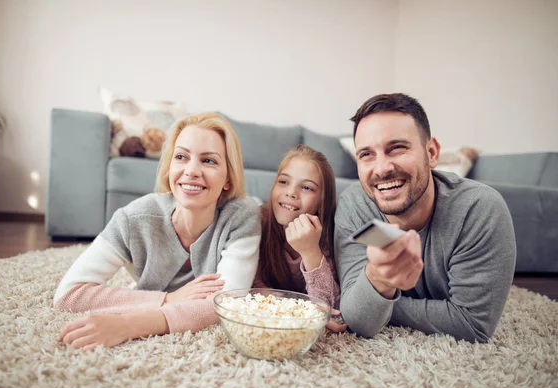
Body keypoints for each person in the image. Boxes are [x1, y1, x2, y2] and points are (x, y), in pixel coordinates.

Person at [54, 112, 261, 350]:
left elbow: (225, 303)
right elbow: (68, 294)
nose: (191, 170)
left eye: (209, 161)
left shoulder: (243, 214)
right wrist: (168, 299)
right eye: (181, 157)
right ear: (169, 167)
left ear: (228, 178)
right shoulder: (133, 218)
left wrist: (128, 325)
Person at [335, 93, 516, 343]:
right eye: (366, 154)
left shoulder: (479, 209)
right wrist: (377, 277)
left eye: (397, 148)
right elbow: (357, 319)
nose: (382, 168)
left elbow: (473, 325)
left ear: (431, 152)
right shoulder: (354, 204)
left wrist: (376, 298)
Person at [254, 145, 347, 332]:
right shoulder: (258, 222)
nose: (291, 192)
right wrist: (295, 308)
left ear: (322, 201)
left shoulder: (333, 235)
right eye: (283, 182)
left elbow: (330, 307)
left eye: (306, 187)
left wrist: (310, 250)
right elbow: (251, 290)